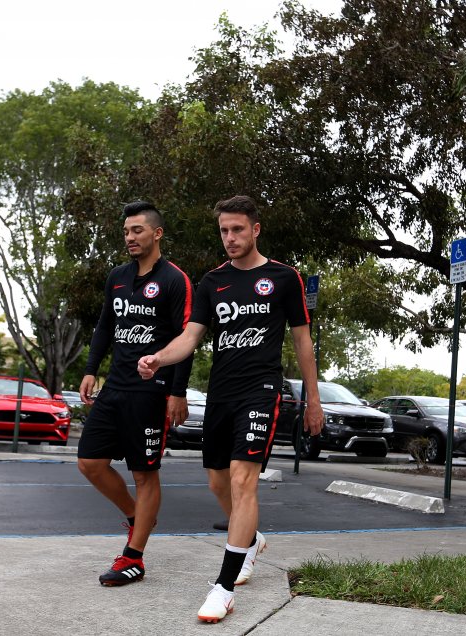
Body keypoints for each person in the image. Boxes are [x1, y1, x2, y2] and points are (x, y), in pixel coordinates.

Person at [137, 194, 323, 624]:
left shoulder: (283, 278)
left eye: (238, 229)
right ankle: (252, 541)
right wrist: (159, 357)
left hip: (260, 390)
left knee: (243, 481)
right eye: (224, 230)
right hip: (221, 392)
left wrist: (313, 400)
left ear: (256, 229)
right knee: (218, 483)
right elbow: (191, 336)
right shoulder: (212, 282)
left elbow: (302, 343)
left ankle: (223, 587)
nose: (230, 237)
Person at [77, 200, 193, 587]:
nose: (130, 237)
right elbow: (104, 327)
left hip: (151, 393)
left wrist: (177, 393)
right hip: (115, 388)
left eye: (137, 230)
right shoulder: (117, 277)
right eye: (126, 231)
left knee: (145, 474)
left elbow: (186, 340)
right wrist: (92, 369)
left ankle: (134, 557)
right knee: (90, 462)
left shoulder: (175, 280)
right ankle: (137, 517)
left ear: (156, 233)